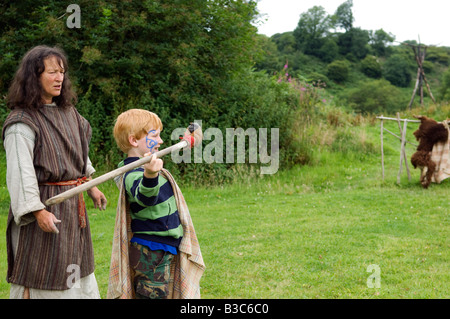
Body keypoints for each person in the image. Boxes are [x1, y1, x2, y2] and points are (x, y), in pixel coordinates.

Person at [2, 45, 107, 299]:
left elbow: (78, 153)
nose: (59, 78)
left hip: (74, 209)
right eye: (51, 72)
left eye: (62, 72)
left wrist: (90, 185)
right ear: (34, 76)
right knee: (43, 272)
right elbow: (20, 173)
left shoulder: (70, 113)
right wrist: (37, 211)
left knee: (78, 268)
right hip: (46, 206)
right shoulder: (21, 122)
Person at [108, 109, 205, 299]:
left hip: (162, 247)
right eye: (155, 136)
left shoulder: (145, 167)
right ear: (134, 141)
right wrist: (150, 175)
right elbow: (145, 197)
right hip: (149, 251)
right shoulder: (132, 173)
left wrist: (189, 138)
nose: (160, 141)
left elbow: (184, 144)